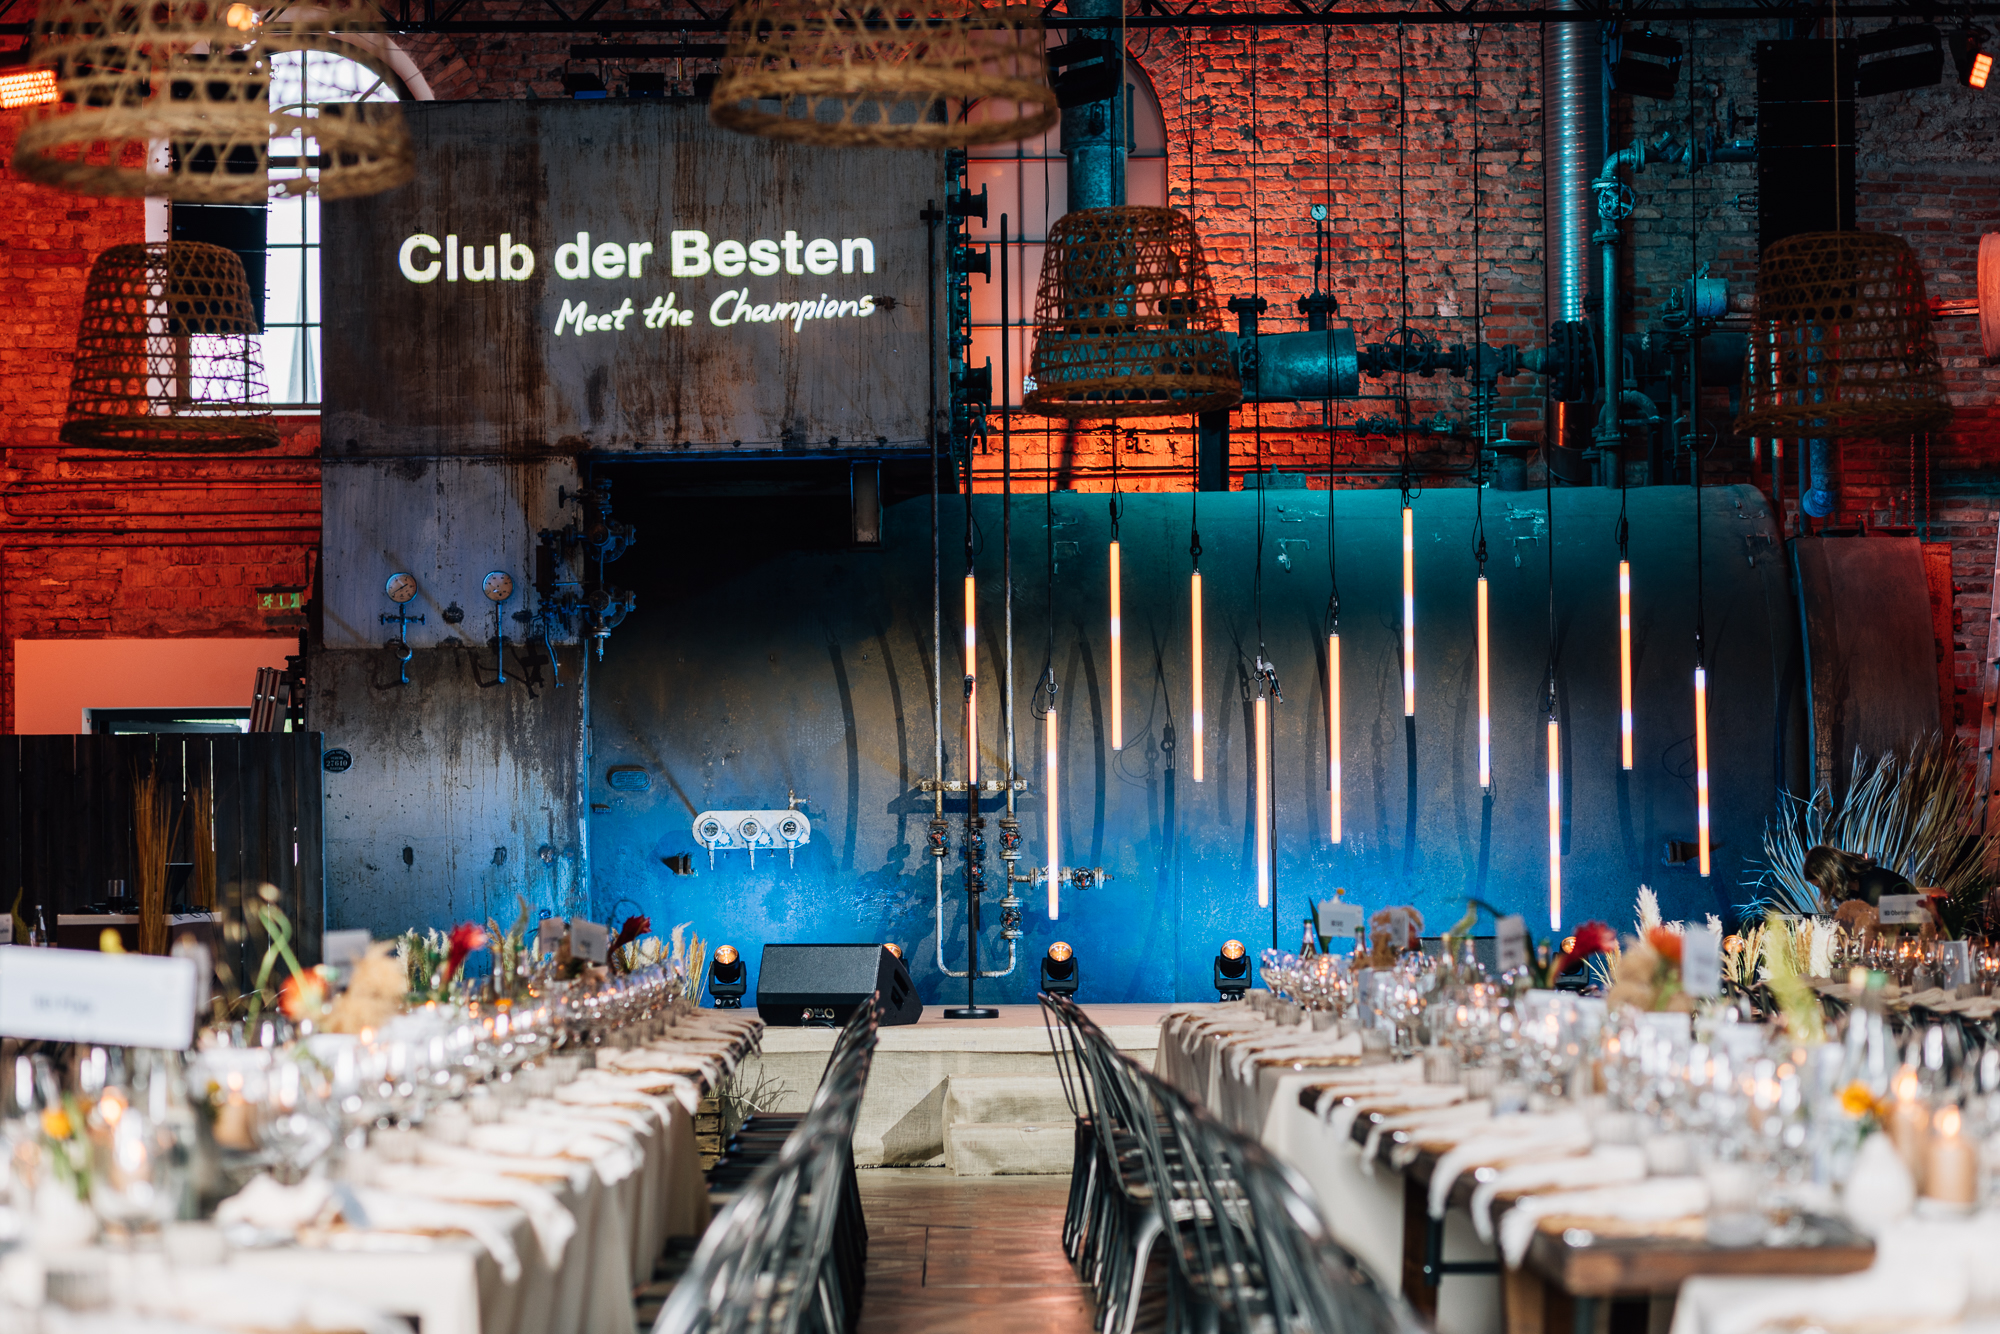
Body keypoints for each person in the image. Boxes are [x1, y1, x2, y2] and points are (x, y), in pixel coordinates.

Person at [1802, 845, 1916, 912]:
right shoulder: (1859, 887)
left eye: (1821, 886)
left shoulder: (1872, 885)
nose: (1822, 892)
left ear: (1832, 876)